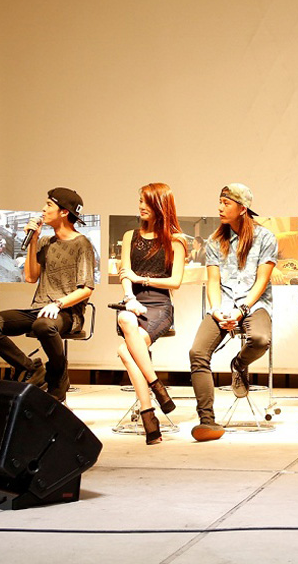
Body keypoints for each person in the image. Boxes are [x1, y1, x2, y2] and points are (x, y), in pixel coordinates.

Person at [0, 188, 95, 402]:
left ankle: (58, 375)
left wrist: (58, 304)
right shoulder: (45, 242)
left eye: (49, 205)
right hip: (39, 309)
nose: (43, 209)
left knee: (43, 325)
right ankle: (29, 368)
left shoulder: (82, 243)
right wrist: (33, 240)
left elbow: (86, 289)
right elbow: (31, 277)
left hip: (67, 312)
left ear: (64, 212)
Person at [187, 184, 277, 442]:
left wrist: (241, 310)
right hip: (224, 305)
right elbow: (213, 282)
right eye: (220, 202)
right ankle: (207, 420)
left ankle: (239, 364)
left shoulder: (266, 238)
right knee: (197, 353)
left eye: (226, 203)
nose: (220, 208)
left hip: (254, 304)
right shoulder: (215, 241)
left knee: (260, 339)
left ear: (242, 208)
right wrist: (216, 311)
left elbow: (261, 281)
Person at [115, 183, 187, 445]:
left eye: (147, 202)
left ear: (160, 205)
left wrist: (142, 280)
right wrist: (130, 297)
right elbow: (125, 274)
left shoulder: (176, 240)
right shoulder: (129, 236)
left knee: (125, 351)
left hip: (159, 305)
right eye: (140, 201)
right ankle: (156, 386)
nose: (141, 206)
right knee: (125, 317)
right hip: (133, 303)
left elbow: (175, 282)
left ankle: (148, 413)